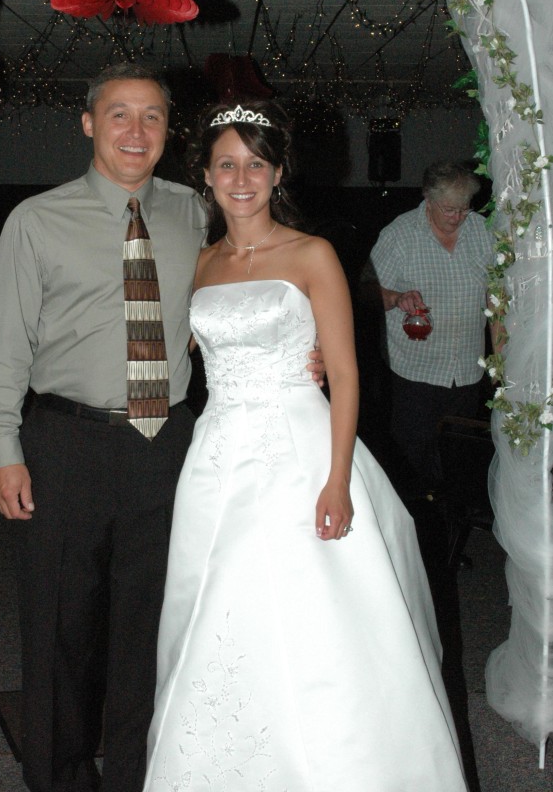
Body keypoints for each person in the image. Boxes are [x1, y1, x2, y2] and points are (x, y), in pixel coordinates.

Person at [0, 64, 323, 792]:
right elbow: (3, 345)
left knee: (154, 630)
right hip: (65, 443)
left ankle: (141, 776)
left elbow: (254, 274)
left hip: (170, 448)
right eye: (119, 114)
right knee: (59, 629)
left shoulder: (196, 211)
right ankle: (60, 779)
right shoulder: (36, 220)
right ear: (88, 124)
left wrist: (298, 347)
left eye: (153, 116)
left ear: (169, 130)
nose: (136, 131)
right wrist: (2, 448)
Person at [142, 100, 468, 791]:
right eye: (226, 164)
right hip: (217, 453)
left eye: (255, 165)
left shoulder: (312, 254)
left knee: (311, 609)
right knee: (218, 605)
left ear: (277, 172)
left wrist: (337, 479)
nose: (241, 179)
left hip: (300, 449)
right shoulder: (199, 263)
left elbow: (345, 375)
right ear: (206, 175)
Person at [366, 161, 494, 493]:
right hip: (415, 373)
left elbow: (496, 298)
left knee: (457, 462)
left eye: (464, 208)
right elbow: (365, 292)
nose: (458, 217)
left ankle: (451, 517)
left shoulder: (483, 232)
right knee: (412, 463)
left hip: (467, 370)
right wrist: (396, 298)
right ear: (428, 198)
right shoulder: (399, 235)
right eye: (449, 209)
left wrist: (501, 357)